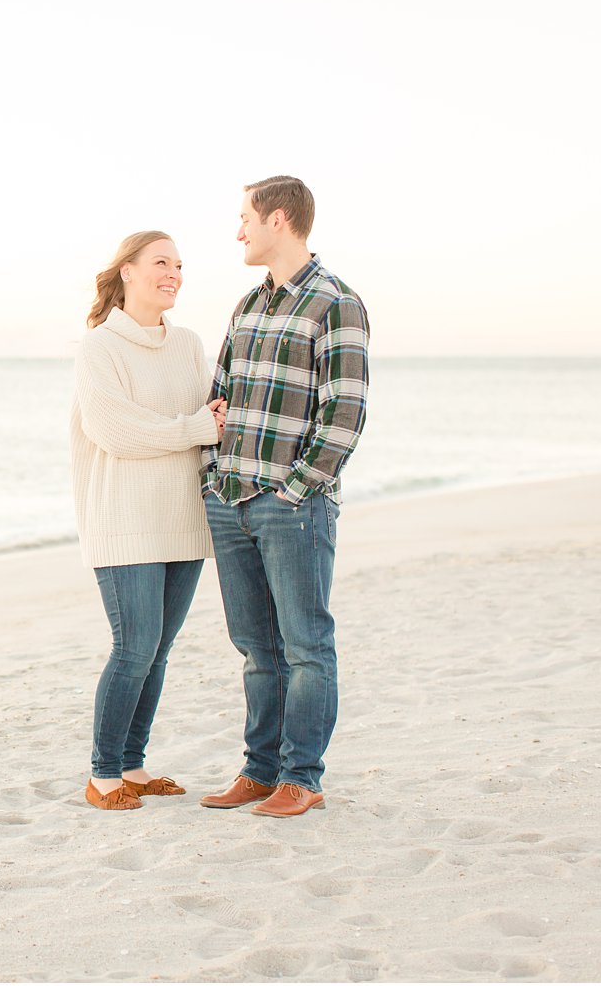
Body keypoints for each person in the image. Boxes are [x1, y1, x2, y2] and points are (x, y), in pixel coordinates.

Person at [197, 176, 370, 818]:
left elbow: (344, 415)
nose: (238, 231)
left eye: (245, 218)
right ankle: (259, 770)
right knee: (255, 647)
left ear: (277, 219)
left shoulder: (335, 303)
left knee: (304, 644)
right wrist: (213, 479)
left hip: (291, 504)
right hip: (231, 497)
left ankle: (302, 777)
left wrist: (295, 490)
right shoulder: (248, 305)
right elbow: (218, 395)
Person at [70, 230, 226, 811]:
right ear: (127, 272)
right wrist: (193, 428)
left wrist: (201, 424)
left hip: (183, 517)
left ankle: (133, 767)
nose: (174, 273)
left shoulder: (187, 343)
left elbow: (215, 410)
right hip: (124, 519)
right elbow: (116, 431)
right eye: (161, 262)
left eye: (180, 265)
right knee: (133, 646)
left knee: (157, 650)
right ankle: (103, 774)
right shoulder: (99, 348)